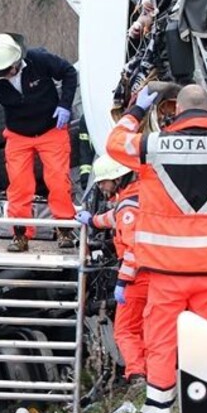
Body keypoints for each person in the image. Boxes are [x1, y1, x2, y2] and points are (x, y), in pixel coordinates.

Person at [106, 84, 207, 413]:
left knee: (161, 343)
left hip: (166, 271)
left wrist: (137, 110)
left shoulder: (153, 147)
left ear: (174, 112)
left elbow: (116, 142)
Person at [0, 33, 79, 252]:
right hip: (18, 135)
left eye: (6, 71)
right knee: (19, 187)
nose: (4, 75)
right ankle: (21, 234)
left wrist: (65, 105)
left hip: (52, 129)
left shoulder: (38, 60)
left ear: (16, 62)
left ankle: (65, 229)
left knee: (58, 179)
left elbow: (69, 73)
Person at [76, 155, 147, 384]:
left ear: (117, 178)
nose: (100, 186)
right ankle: (153, 372)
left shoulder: (127, 207)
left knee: (125, 330)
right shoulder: (137, 196)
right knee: (147, 327)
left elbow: (132, 251)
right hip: (156, 272)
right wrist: (93, 221)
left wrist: (122, 283)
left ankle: (137, 374)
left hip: (138, 276)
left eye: (103, 181)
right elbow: (114, 218)